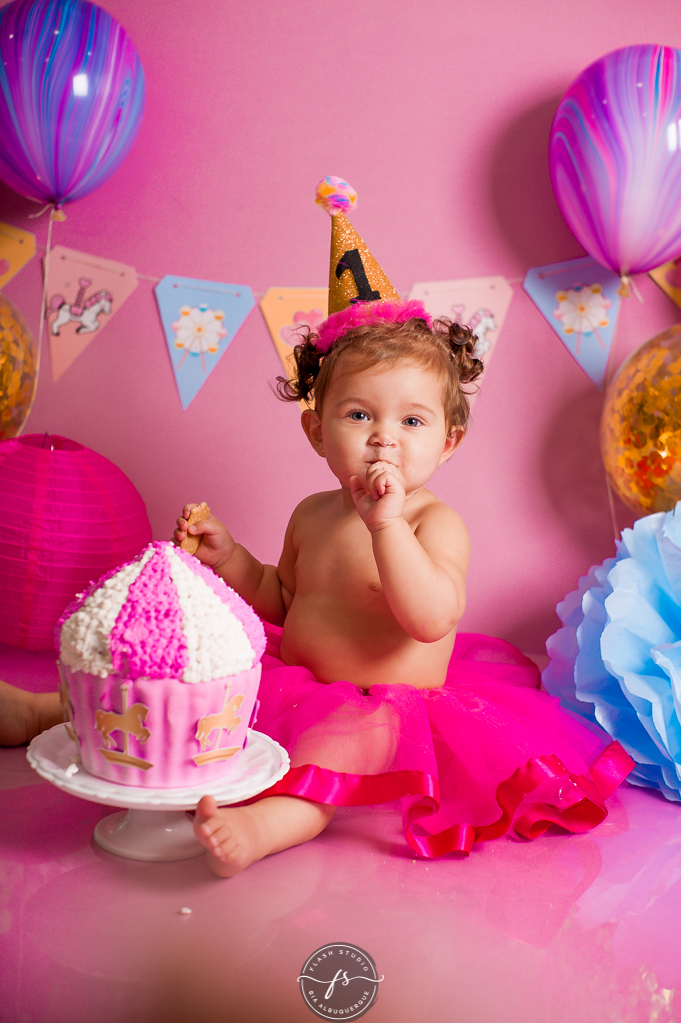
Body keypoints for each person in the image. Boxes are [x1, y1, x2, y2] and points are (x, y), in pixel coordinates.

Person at [0, 179, 634, 876]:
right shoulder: (311, 512)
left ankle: (270, 825)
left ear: (449, 440)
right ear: (315, 429)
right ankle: (49, 717)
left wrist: (387, 527)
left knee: (334, 752)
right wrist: (231, 557)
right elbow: (282, 598)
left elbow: (428, 619)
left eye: (411, 421)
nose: (383, 439)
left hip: (386, 705)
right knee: (183, 689)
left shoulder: (432, 522)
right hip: (291, 676)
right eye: (359, 414)